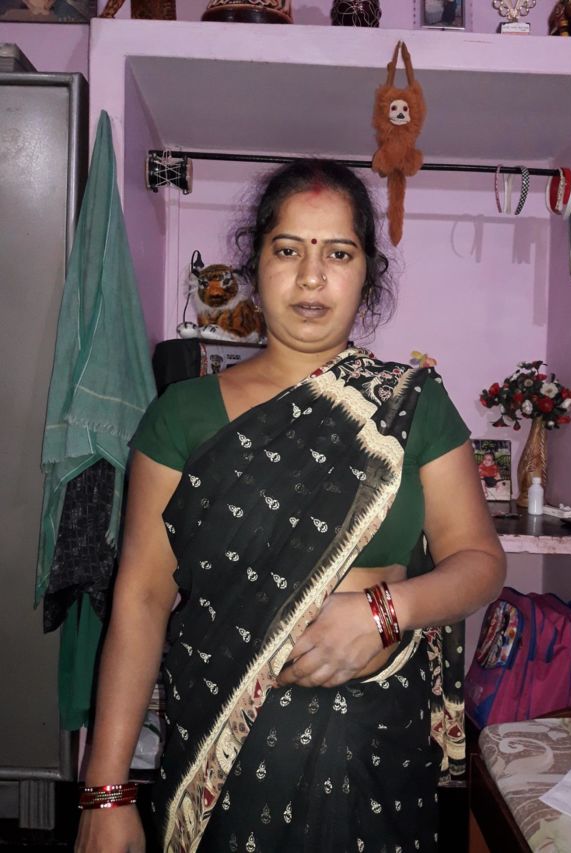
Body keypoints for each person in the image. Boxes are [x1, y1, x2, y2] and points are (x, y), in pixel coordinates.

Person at [75, 159, 506, 853]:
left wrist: (382, 611)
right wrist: (106, 790)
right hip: (221, 757)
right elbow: (142, 597)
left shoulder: (412, 405)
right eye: (288, 250)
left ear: (367, 273)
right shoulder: (182, 414)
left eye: (338, 252)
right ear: (256, 266)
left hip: (376, 752)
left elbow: (480, 562)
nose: (311, 277)